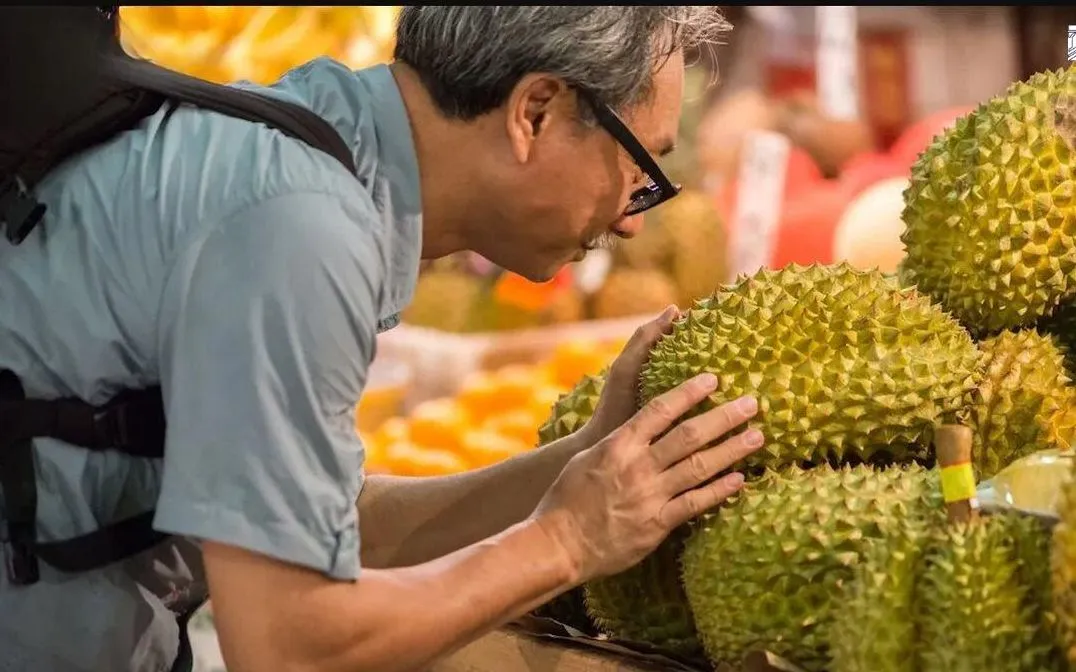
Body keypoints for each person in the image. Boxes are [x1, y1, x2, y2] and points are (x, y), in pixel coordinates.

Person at [0, 6, 763, 672]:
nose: (634, 217)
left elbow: (329, 530)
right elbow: (290, 644)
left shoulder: (310, 144)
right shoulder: (300, 225)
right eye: (640, 169)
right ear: (536, 111)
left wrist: (580, 463)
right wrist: (567, 542)